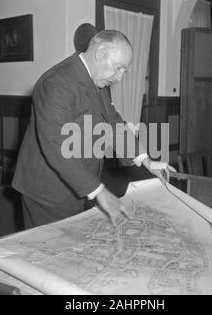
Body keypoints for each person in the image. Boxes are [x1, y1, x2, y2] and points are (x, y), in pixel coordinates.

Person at [12, 30, 174, 229]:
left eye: (124, 71)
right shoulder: (56, 83)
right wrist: (98, 191)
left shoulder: (97, 81)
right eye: (118, 68)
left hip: (77, 186)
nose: (120, 78)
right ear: (100, 53)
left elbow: (113, 124)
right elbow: (56, 147)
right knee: (49, 256)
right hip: (48, 193)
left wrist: (146, 160)